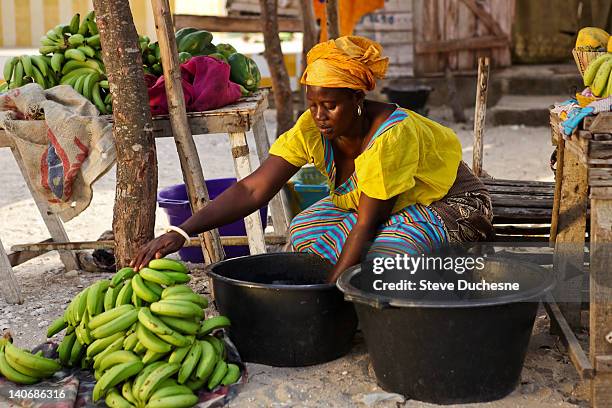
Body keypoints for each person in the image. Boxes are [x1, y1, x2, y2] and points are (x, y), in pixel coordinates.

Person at [131, 36, 494, 282]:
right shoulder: (313, 127)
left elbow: (367, 225)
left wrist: (329, 290)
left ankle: (417, 292)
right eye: (313, 104)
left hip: (451, 201)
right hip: (390, 203)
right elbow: (254, 188)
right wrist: (182, 231)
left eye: (330, 105)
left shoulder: (391, 136)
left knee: (389, 251)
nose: (319, 115)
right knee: (304, 229)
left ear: (357, 99)